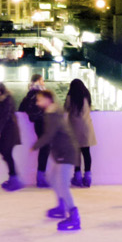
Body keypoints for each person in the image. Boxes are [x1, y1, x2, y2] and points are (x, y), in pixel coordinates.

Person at [31, 90, 83, 231]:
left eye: (39, 100)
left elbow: (49, 134)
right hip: (59, 152)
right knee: (52, 178)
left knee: (63, 184)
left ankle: (74, 216)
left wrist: (35, 146)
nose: (37, 103)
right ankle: (61, 206)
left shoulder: (53, 114)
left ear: (48, 100)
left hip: (66, 152)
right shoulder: (52, 112)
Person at [65, 77, 97, 189]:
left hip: (74, 128)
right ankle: (88, 177)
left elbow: (66, 108)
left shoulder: (71, 97)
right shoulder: (86, 96)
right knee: (86, 153)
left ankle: (77, 176)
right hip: (87, 128)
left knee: (76, 153)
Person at [24, 74, 52, 187]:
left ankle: (41, 177)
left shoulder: (30, 93)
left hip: (38, 124)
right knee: (45, 148)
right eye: (42, 80)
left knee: (45, 148)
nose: (43, 82)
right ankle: (41, 178)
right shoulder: (40, 93)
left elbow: (23, 107)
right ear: (38, 81)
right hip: (43, 123)